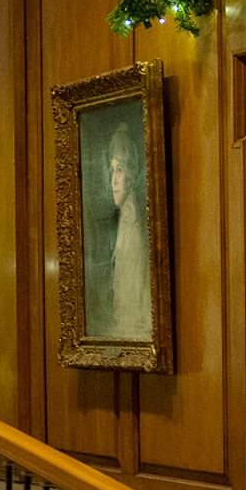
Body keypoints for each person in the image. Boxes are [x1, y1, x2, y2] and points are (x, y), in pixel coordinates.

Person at [104, 121, 151, 339]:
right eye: (112, 170)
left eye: (120, 171)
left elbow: (131, 298)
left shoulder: (132, 220)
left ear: (130, 175)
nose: (113, 180)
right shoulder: (125, 216)